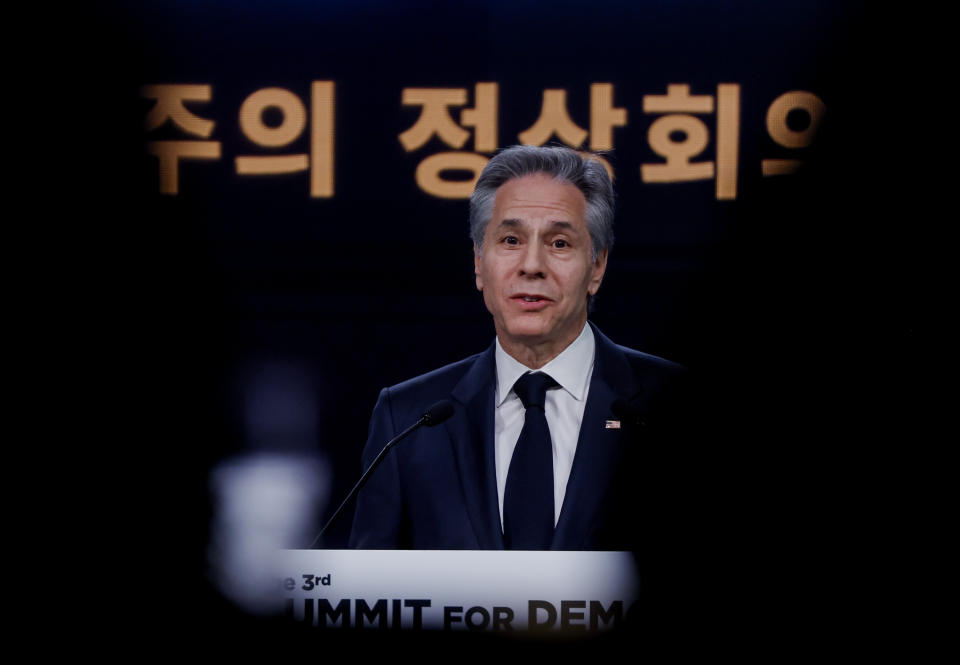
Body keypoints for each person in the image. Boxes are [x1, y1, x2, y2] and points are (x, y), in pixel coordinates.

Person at [349, 145, 686, 551]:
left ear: (597, 266)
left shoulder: (677, 405)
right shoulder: (407, 420)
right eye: (510, 240)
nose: (531, 265)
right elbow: (367, 597)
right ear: (478, 261)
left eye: (559, 243)